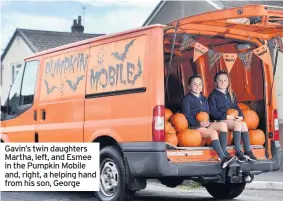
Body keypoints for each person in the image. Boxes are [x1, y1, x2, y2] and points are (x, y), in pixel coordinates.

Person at [180, 75, 235, 169]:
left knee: (222, 125)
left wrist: (208, 122)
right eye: (195, 84)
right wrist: (198, 123)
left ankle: (223, 151)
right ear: (189, 86)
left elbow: (208, 113)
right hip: (194, 127)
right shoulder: (187, 99)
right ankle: (222, 158)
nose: (198, 86)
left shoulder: (204, 99)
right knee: (213, 133)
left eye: (200, 84)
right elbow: (186, 115)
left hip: (205, 124)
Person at [208, 70, 257, 163]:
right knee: (237, 125)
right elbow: (213, 113)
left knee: (244, 124)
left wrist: (241, 116)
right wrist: (227, 117)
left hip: (231, 119)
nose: (223, 82)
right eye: (220, 80)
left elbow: (236, 107)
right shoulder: (213, 95)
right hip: (220, 120)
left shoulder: (230, 94)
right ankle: (238, 151)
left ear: (228, 82)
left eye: (225, 80)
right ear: (215, 83)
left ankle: (247, 150)